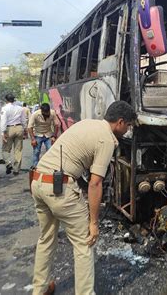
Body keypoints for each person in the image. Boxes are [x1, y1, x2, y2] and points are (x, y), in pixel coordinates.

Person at [31, 101, 137, 295]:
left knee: (46, 238)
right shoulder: (106, 139)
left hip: (38, 181)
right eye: (128, 125)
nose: (128, 129)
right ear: (120, 122)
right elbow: (95, 183)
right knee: (84, 243)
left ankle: (41, 289)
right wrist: (94, 223)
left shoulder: (87, 123)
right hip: (59, 188)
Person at [0, 93, 26, 175]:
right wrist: (24, 130)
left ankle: (8, 163)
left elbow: (3, 121)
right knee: (18, 150)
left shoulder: (4, 108)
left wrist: (3, 132)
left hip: (9, 129)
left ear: (6, 100)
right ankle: (16, 169)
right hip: (19, 128)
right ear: (14, 99)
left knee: (5, 149)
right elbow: (23, 120)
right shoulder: (20, 108)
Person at [28, 103, 60, 168]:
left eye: (48, 112)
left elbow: (57, 124)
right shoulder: (35, 114)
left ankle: (51, 167)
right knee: (36, 152)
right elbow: (29, 127)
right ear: (41, 111)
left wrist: (54, 136)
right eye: (45, 113)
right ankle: (35, 167)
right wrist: (33, 139)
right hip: (38, 134)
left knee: (51, 151)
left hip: (48, 134)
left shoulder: (52, 113)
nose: (47, 114)